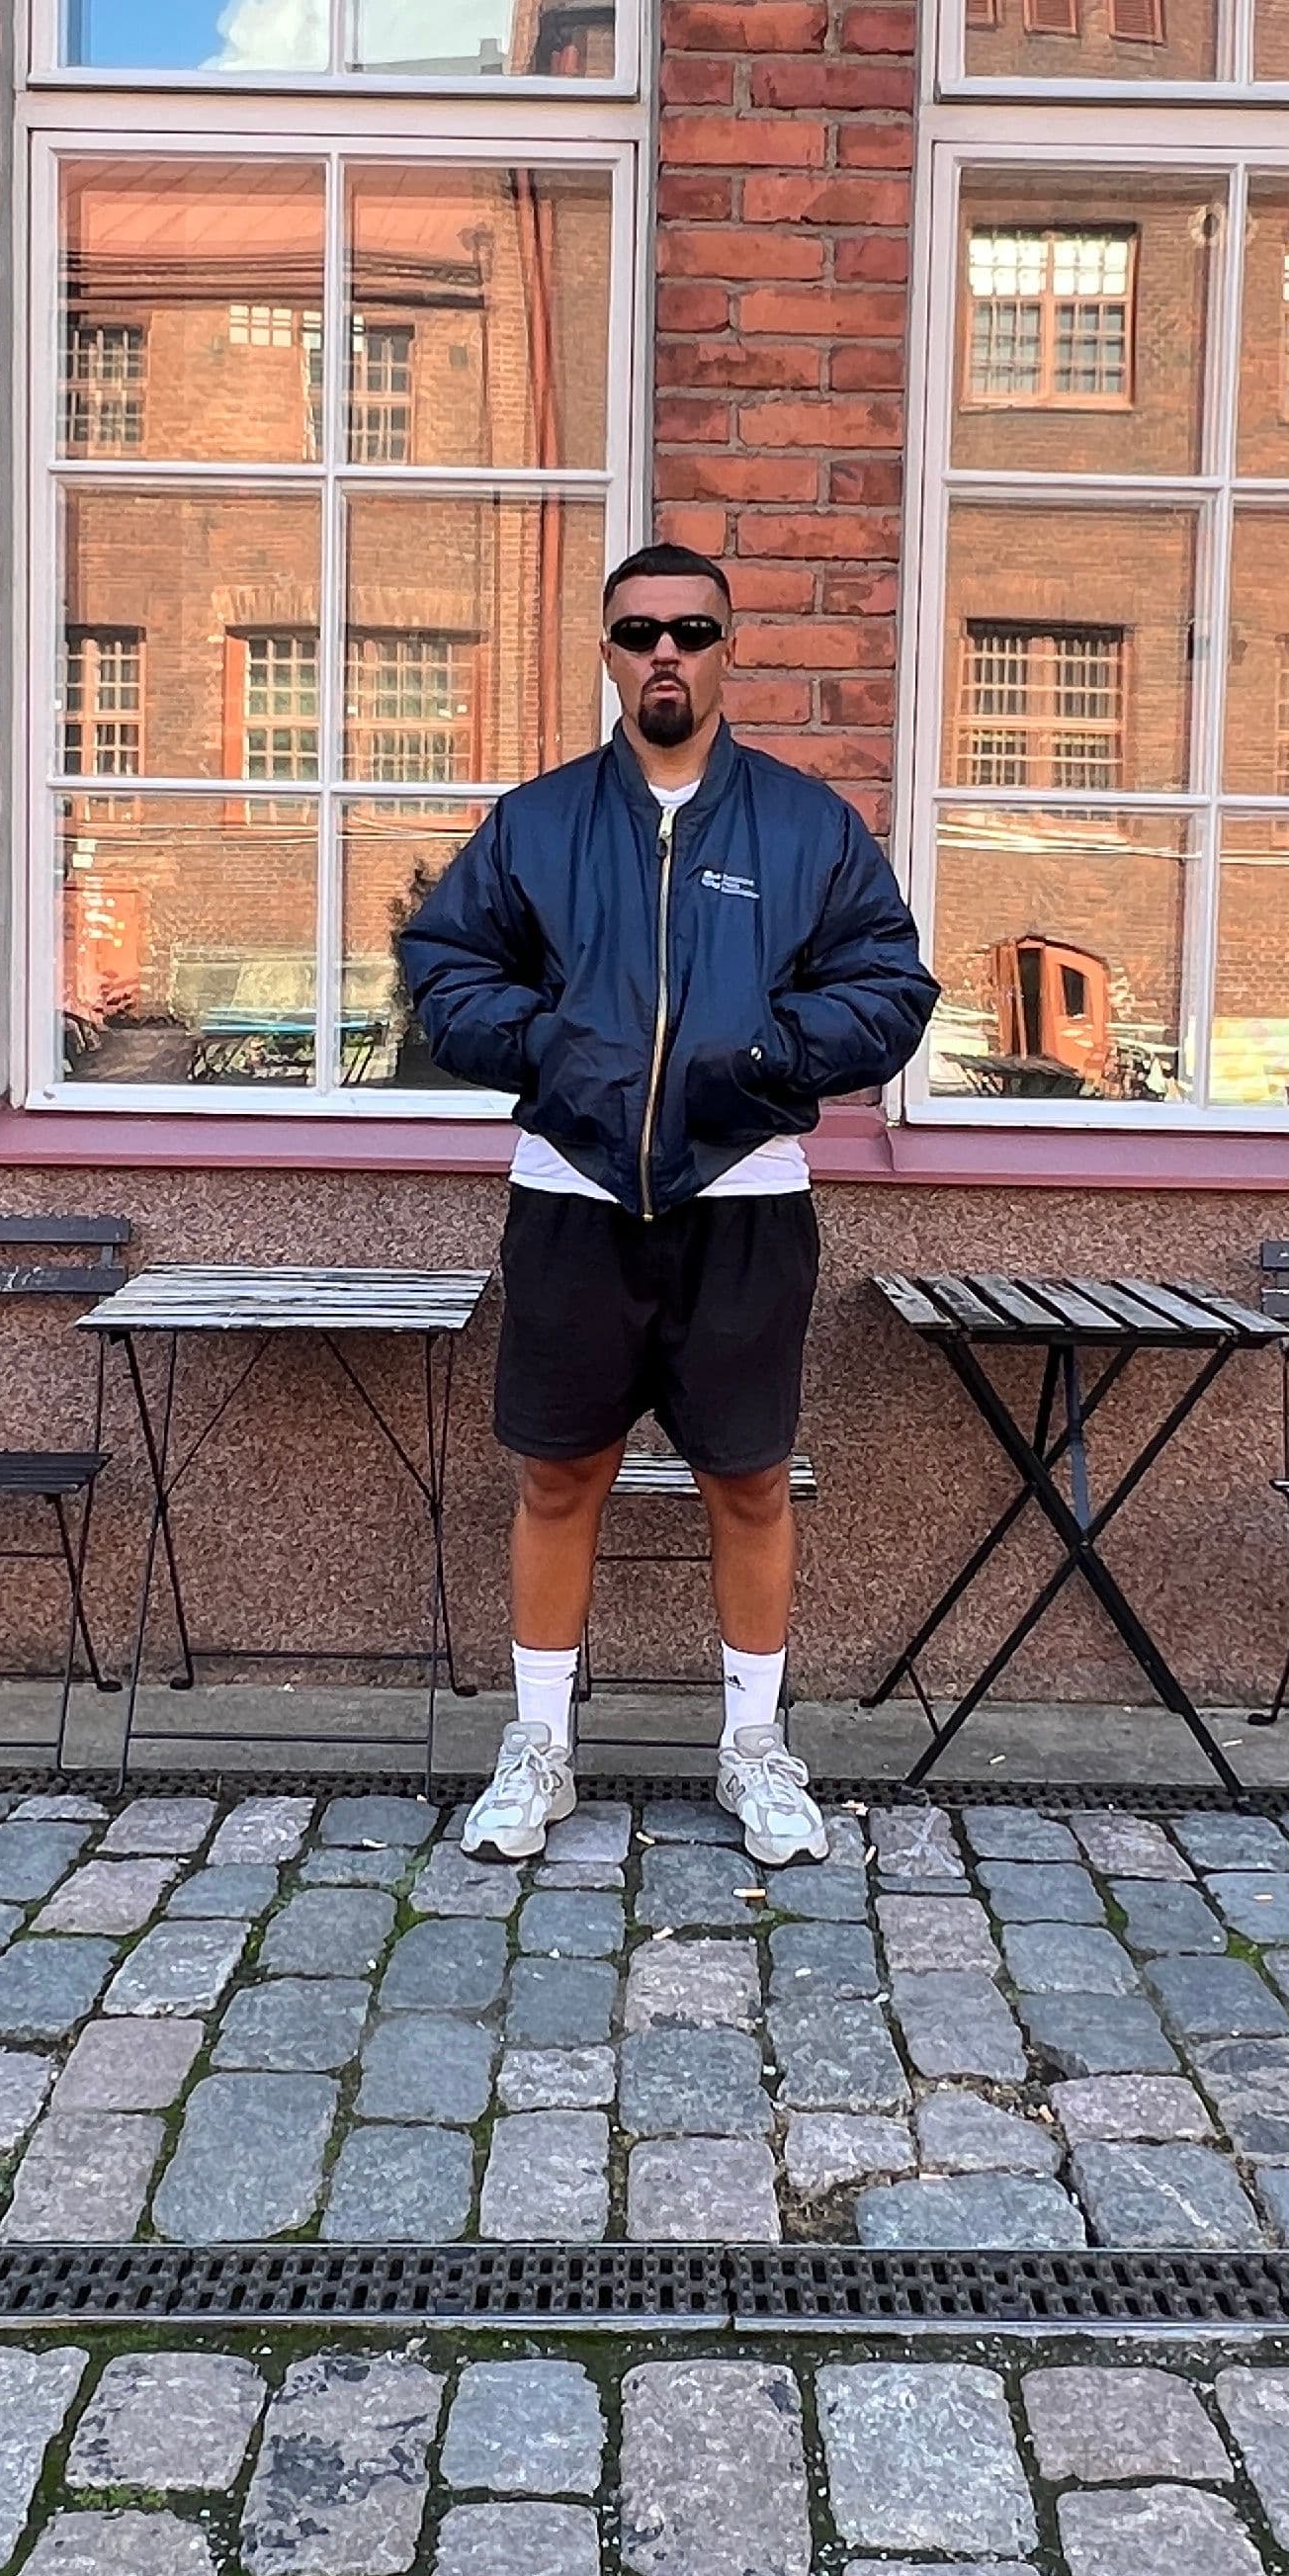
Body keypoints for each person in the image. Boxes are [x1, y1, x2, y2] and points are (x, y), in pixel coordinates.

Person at [399, 543, 938, 1866]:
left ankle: (753, 1748)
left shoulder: (808, 827)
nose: (665, 654)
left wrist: (764, 1057)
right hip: (571, 1195)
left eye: (691, 632)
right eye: (639, 631)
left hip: (744, 1197)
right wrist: (552, 1048)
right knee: (558, 1475)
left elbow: (888, 987)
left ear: (726, 649)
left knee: (749, 1481)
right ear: (605, 650)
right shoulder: (535, 824)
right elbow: (446, 971)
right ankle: (540, 1747)